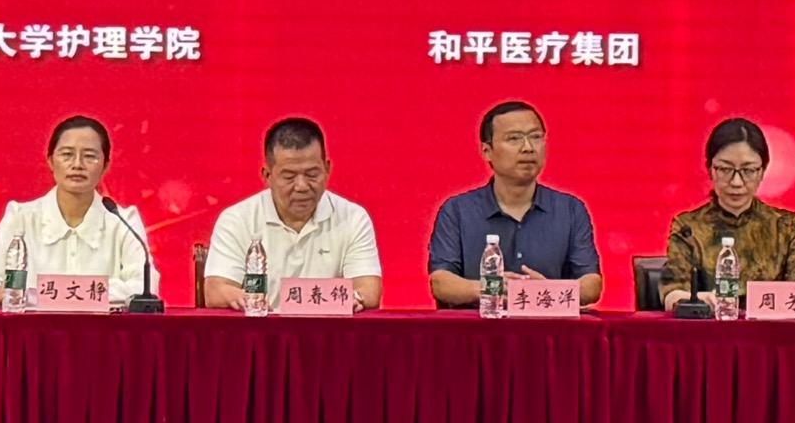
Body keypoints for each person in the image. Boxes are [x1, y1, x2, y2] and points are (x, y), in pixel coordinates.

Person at [0, 114, 158, 306]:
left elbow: (145, 287)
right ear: (50, 161)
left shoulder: (124, 221)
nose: (77, 165)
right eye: (67, 155)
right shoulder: (21, 217)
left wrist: (55, 293)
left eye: (89, 156)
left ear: (106, 165)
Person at [426, 99, 604, 307]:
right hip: (479, 325)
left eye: (535, 137)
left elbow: (591, 285)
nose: (528, 148)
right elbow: (441, 283)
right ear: (487, 151)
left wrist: (546, 293)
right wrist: (493, 288)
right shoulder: (457, 211)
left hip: (547, 326)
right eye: (514, 139)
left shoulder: (570, 210)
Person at [200, 116, 384, 310]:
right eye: (289, 176)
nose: (302, 186)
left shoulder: (353, 218)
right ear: (267, 175)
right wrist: (248, 299)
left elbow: (369, 291)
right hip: (260, 327)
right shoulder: (237, 219)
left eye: (312, 174)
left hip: (328, 328)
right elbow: (216, 291)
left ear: (327, 169)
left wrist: (355, 298)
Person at [661, 116, 795, 306]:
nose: (736, 182)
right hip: (709, 324)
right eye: (725, 169)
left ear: (762, 171)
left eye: (748, 170)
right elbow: (670, 295)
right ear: (710, 169)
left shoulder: (785, 226)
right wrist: (701, 299)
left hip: (771, 326)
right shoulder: (689, 227)